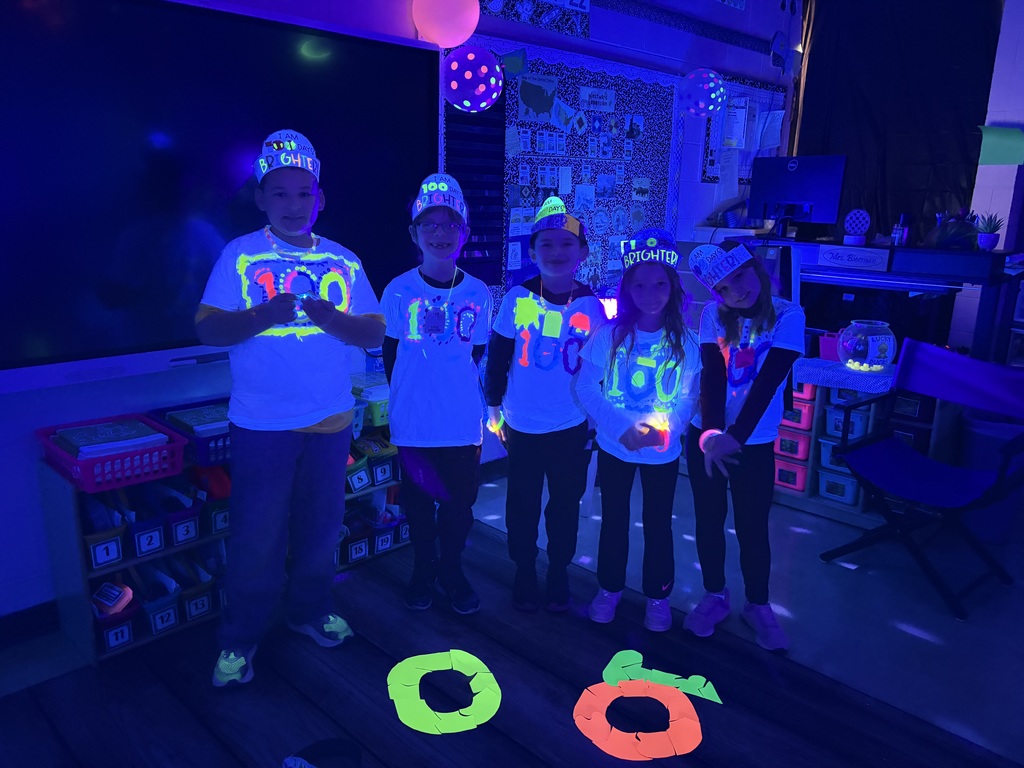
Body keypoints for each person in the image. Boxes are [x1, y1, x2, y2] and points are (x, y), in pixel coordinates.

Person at [196, 130, 386, 687]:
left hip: (331, 420)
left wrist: (333, 319)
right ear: (261, 198)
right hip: (262, 424)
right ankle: (240, 639)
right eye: (279, 193)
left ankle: (309, 611)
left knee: (321, 527)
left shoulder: (344, 260)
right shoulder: (238, 254)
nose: (293, 204)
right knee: (257, 535)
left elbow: (374, 334)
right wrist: (263, 314)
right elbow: (208, 330)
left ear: (320, 198)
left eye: (304, 193)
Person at [483, 196, 606, 612]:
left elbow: (598, 369)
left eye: (566, 244)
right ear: (532, 252)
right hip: (522, 424)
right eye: (546, 244)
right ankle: (523, 568)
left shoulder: (591, 305)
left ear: (582, 252)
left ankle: (558, 569)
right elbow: (498, 356)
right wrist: (493, 406)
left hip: (570, 425)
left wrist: (596, 421)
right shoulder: (516, 298)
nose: (556, 252)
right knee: (522, 503)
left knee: (565, 504)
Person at [575, 229, 701, 632]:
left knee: (659, 523)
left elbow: (688, 397)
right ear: (627, 288)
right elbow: (585, 386)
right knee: (614, 519)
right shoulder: (610, 336)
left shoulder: (688, 342)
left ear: (673, 286)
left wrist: (670, 429)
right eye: (640, 284)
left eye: (659, 283)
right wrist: (619, 428)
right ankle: (609, 588)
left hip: (662, 453)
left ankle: (658, 596)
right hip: (615, 448)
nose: (650, 293)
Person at [683, 242, 805, 652]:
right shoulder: (712, 315)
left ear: (756, 268)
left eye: (739, 276)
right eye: (723, 287)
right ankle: (714, 594)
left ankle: (758, 605)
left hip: (754, 441)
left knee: (752, 526)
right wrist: (711, 435)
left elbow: (769, 382)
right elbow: (712, 378)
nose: (735, 290)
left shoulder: (789, 315)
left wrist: (734, 437)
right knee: (708, 519)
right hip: (708, 437)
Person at [380, 173, 493, 615]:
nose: (440, 233)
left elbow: (476, 353)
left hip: (461, 423)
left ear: (464, 232)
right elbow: (391, 354)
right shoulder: (398, 290)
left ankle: (452, 570)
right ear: (414, 233)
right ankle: (423, 570)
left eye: (450, 224)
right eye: (430, 224)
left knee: (459, 507)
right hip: (414, 423)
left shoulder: (478, 293)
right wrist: (412, 396)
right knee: (419, 505)